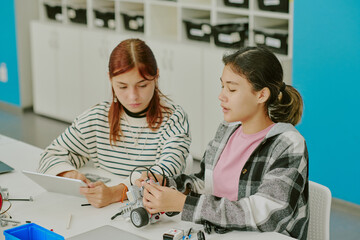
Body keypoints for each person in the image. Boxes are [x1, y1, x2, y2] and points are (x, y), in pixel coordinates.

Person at [136, 47, 309, 239]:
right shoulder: (227, 131)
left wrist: (184, 204)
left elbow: (267, 215)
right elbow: (205, 184)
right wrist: (167, 185)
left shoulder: (288, 144)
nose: (221, 96)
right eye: (222, 86)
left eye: (232, 89)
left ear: (261, 95)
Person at [38, 38, 191, 208]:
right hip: (100, 213)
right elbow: (49, 156)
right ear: (110, 80)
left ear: (156, 77)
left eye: (142, 85)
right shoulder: (97, 118)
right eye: (122, 87)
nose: (133, 96)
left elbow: (162, 174)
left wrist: (115, 193)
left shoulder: (173, 119)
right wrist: (67, 174)